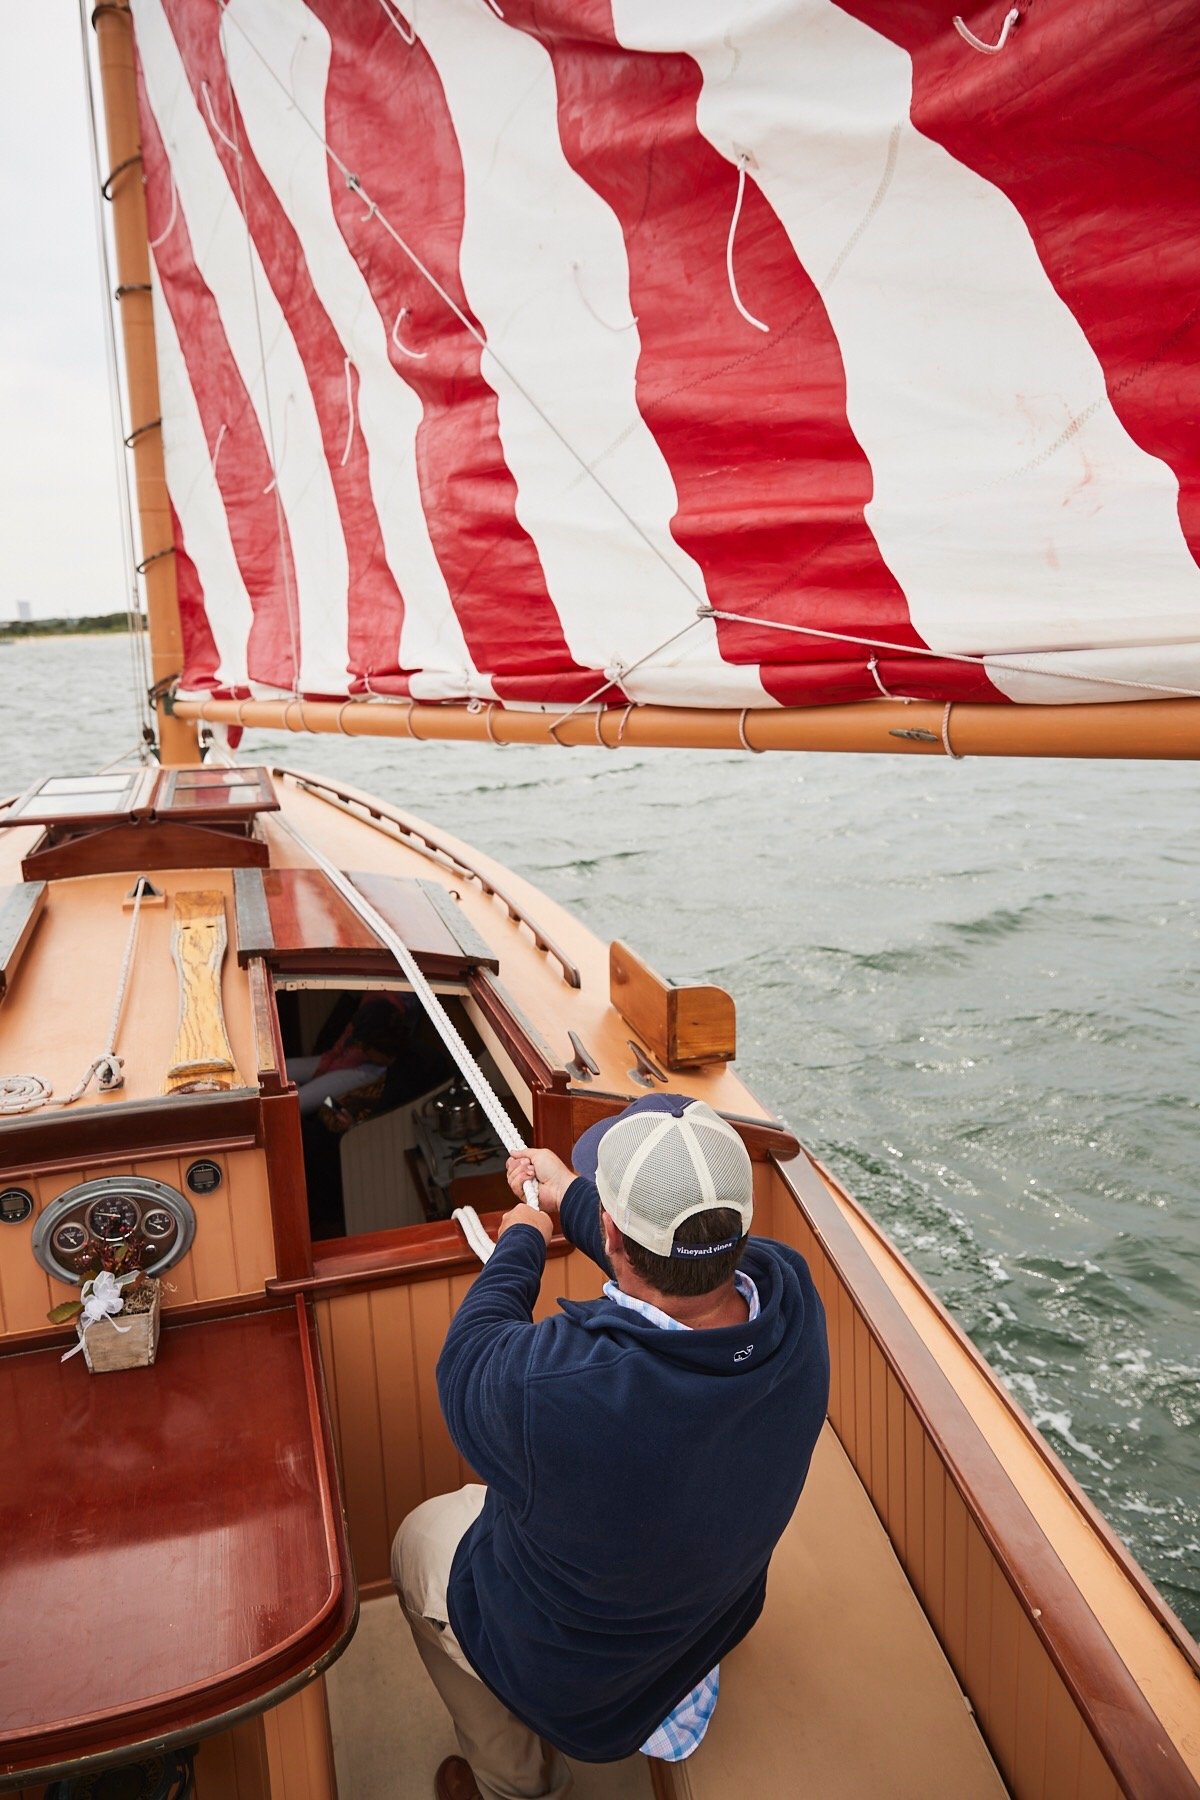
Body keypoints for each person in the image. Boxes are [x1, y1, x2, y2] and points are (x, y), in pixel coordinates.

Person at [392, 1092, 830, 1800]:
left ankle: (515, 1786)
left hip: (582, 1688)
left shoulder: (557, 1390)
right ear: (739, 1230)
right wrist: (569, 1195)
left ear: (614, 1235)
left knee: (417, 1539)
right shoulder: (793, 1297)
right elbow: (685, 1266)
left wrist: (522, 1238)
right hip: (709, 1621)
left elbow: (467, 1358)